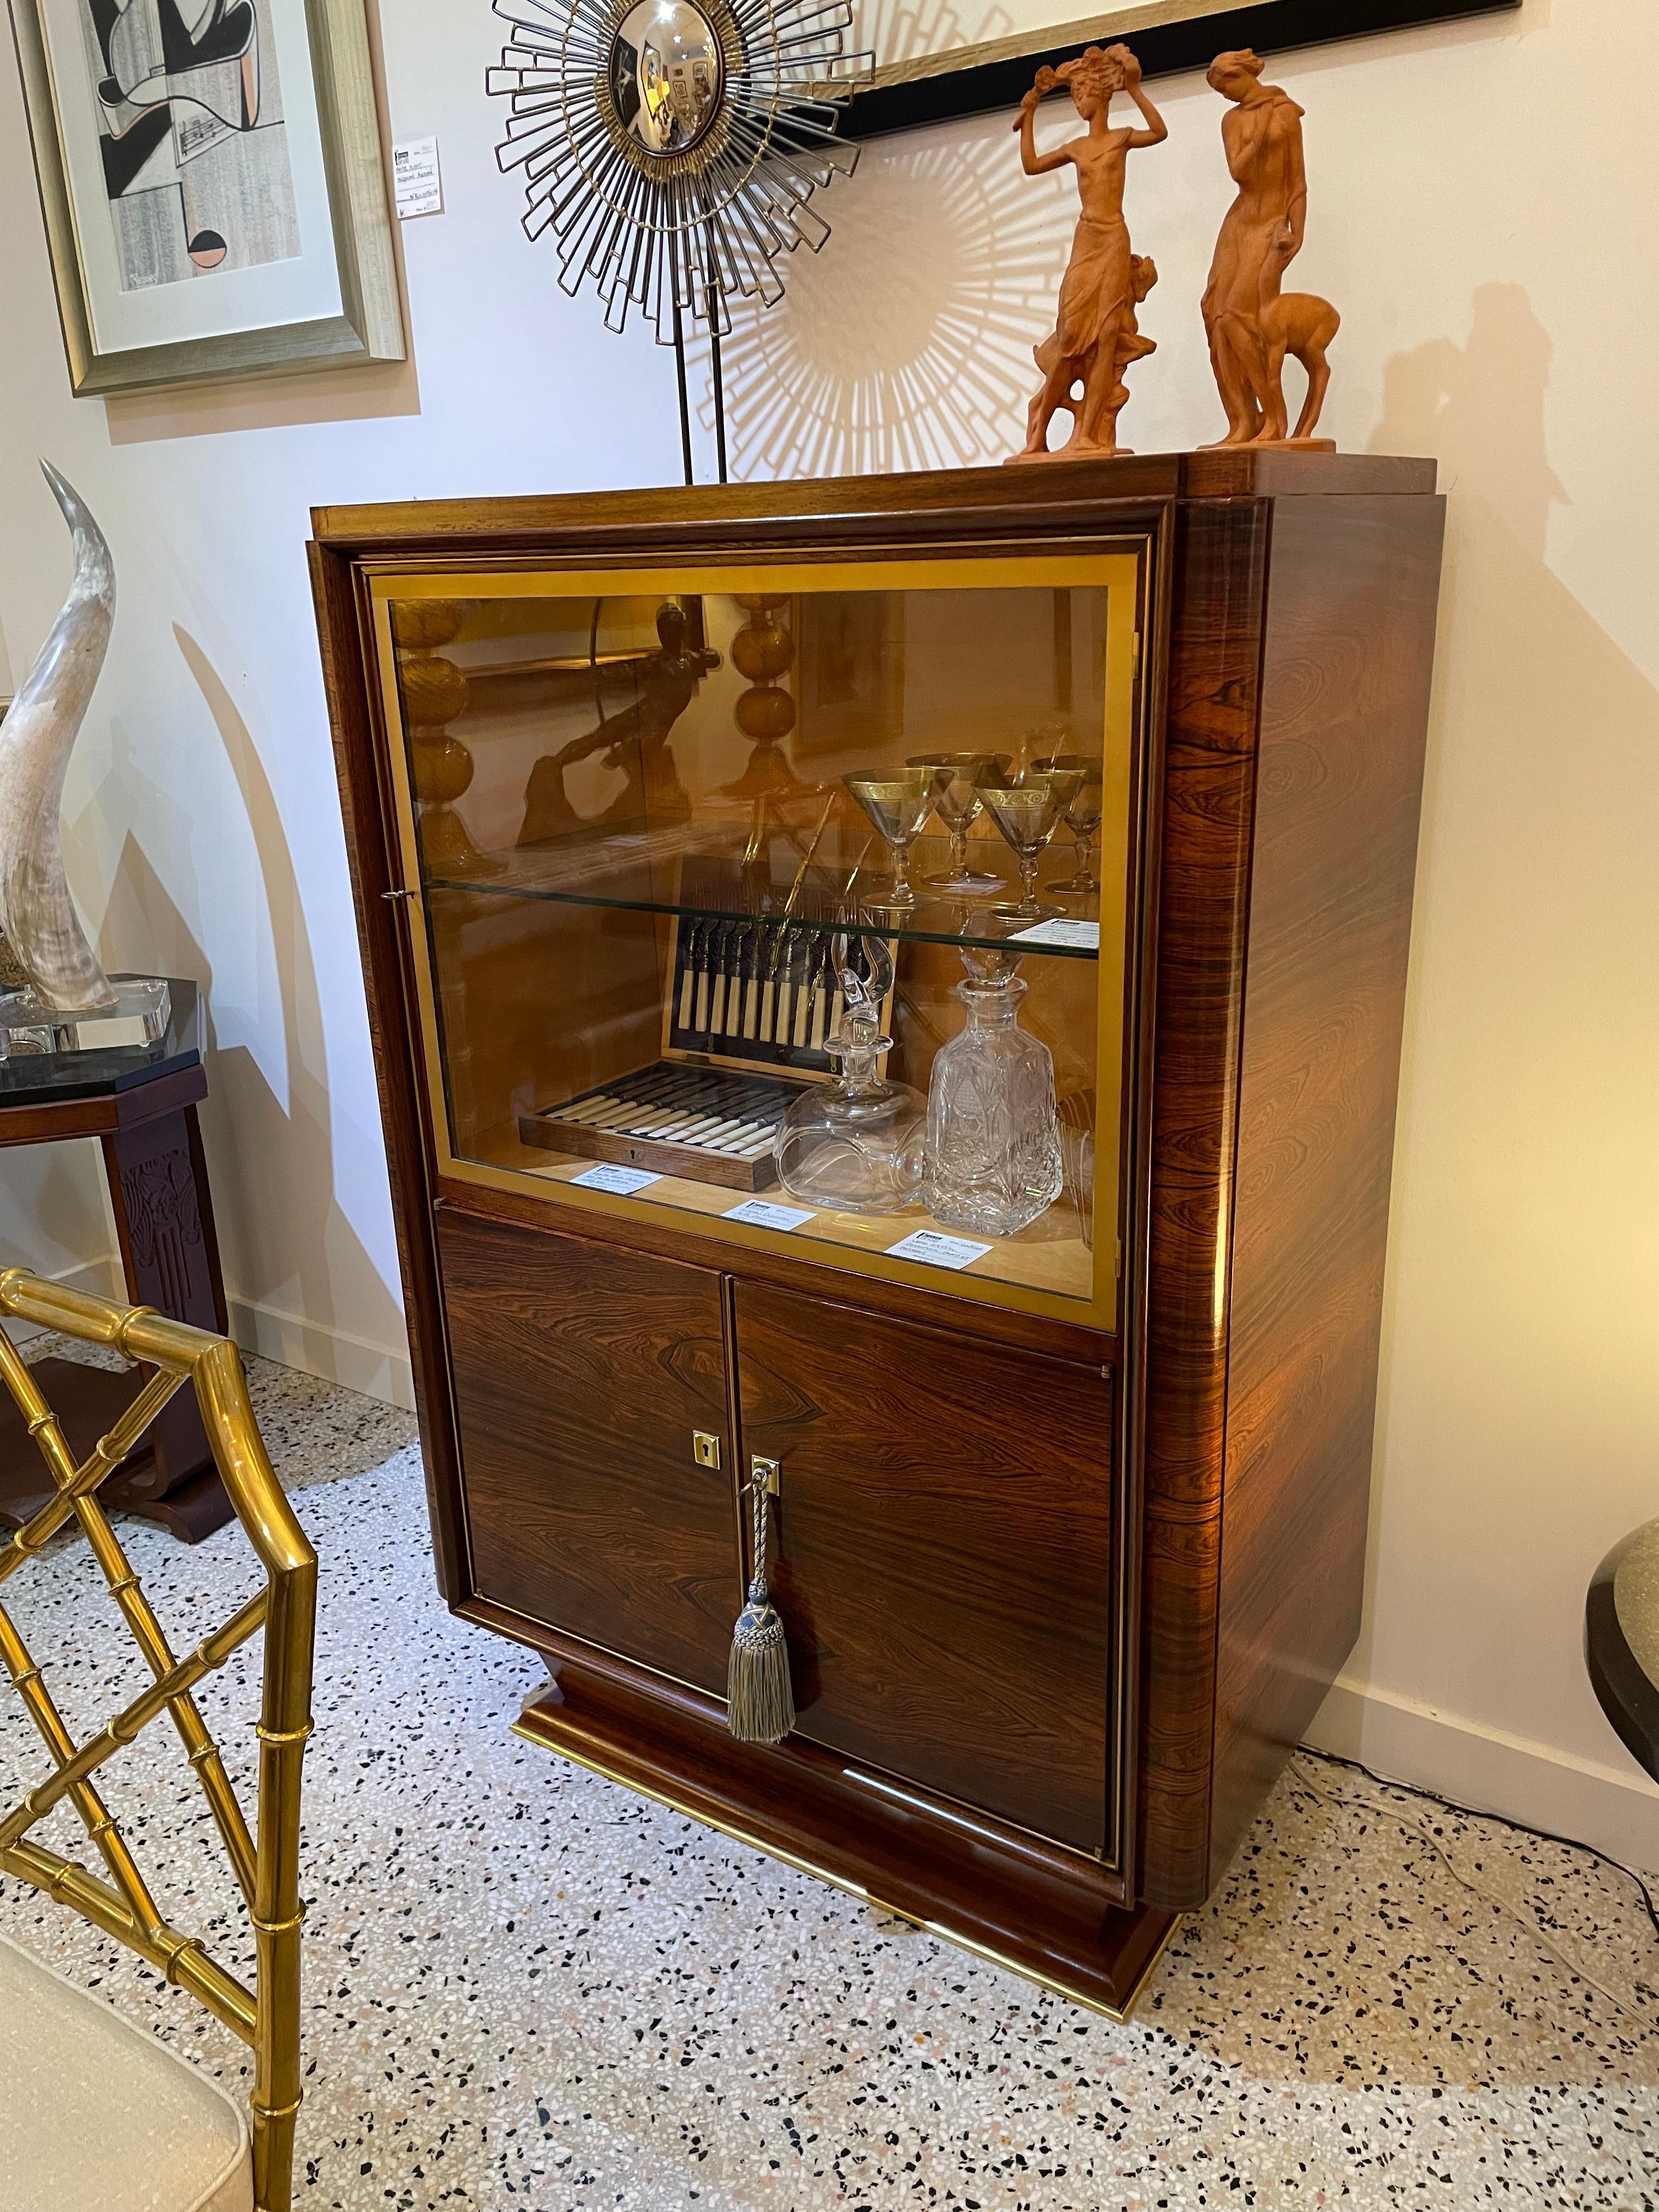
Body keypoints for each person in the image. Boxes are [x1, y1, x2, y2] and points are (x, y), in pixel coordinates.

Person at [1009, 44, 1166, 461]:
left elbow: (1159, 130)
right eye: (1074, 95)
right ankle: (1038, 436)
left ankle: (1089, 437)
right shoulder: (1077, 148)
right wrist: (1030, 115)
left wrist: (1134, 87)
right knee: (1070, 336)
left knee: (1108, 337)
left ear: (1101, 95)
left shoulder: (1121, 139)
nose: (1079, 103)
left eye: (1083, 95)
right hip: (1087, 242)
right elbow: (1031, 164)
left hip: (1115, 240)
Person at [1201, 48, 1323, 445]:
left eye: (1227, 86)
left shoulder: (1286, 113)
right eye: (1221, 92)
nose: (1227, 96)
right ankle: (1242, 420)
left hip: (1269, 223)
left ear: (1242, 75)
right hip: (1239, 222)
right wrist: (1256, 135)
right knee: (1214, 312)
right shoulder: (1233, 120)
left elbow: (1297, 181)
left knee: (1240, 314)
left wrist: (1299, 231)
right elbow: (1238, 171)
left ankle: (1274, 419)